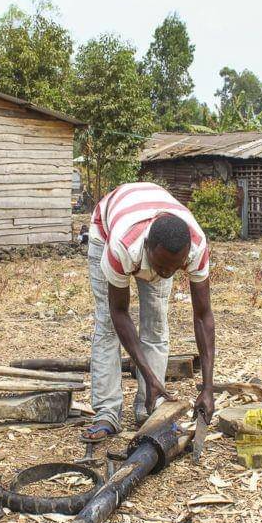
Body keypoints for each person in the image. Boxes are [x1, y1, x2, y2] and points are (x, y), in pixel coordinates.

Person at [81, 182, 216, 441]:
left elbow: (203, 316)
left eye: (175, 268)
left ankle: (149, 406)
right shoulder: (123, 246)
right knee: (108, 325)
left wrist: (208, 388)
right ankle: (107, 413)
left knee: (155, 325)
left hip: (150, 228)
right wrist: (149, 375)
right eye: (162, 266)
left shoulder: (195, 247)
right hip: (107, 227)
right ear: (148, 249)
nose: (167, 273)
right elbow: (119, 312)